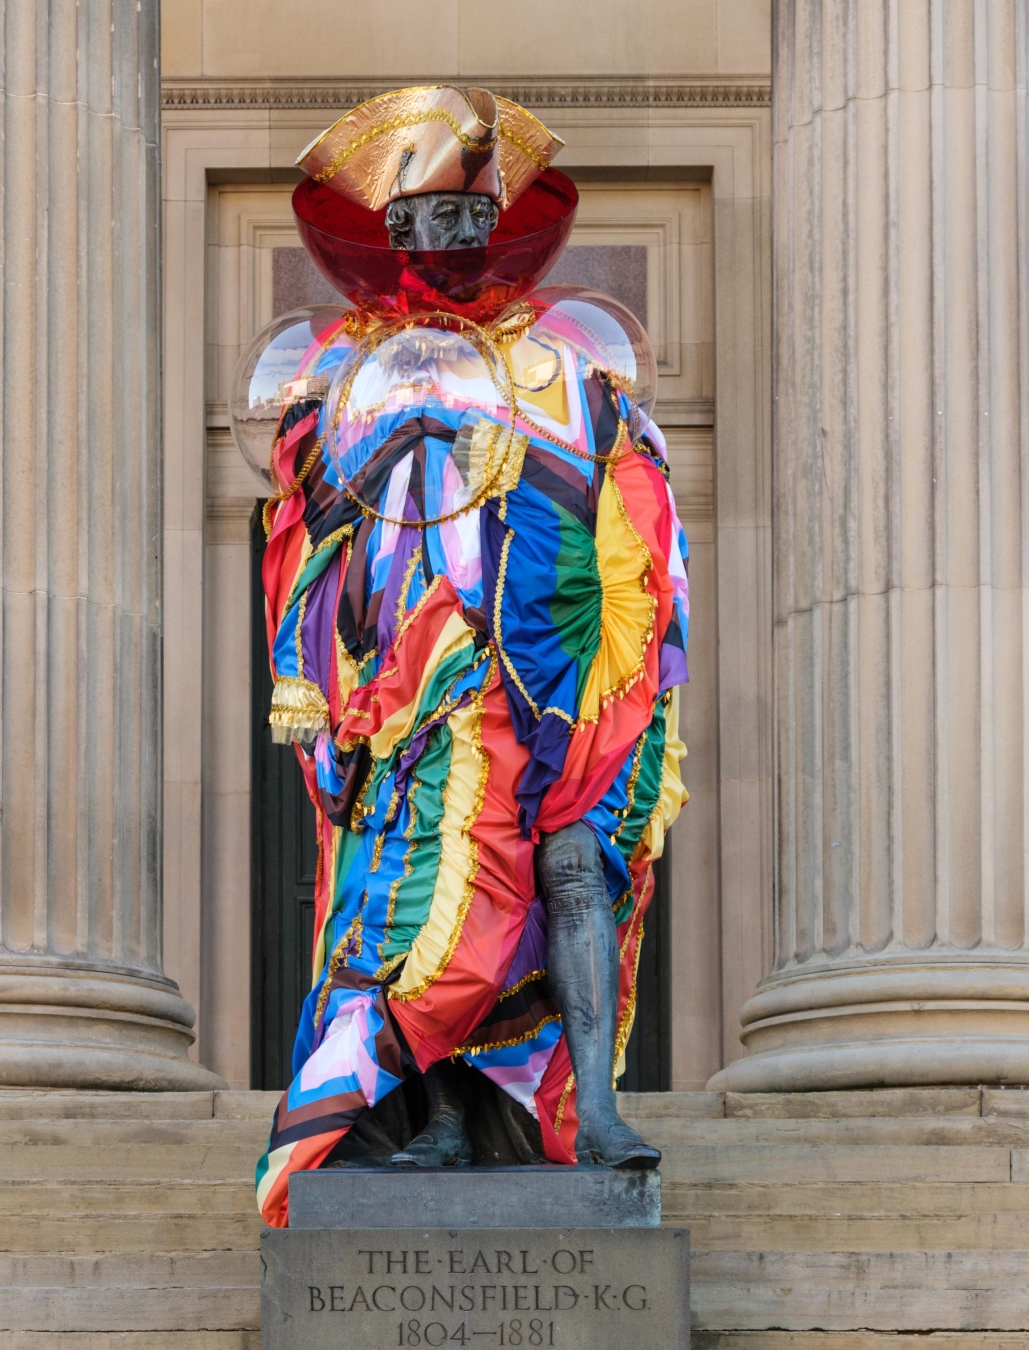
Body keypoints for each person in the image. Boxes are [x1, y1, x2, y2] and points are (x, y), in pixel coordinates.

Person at [244, 86, 690, 1226]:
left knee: (577, 870)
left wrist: (532, 484)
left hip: (553, 668)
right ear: (386, 236)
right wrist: (392, 442)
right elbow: (306, 515)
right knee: (422, 894)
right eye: (419, 220)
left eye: (461, 217)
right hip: (412, 678)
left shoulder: (557, 358)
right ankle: (435, 1115)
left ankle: (594, 1108)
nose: (443, 240)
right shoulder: (342, 370)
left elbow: (628, 492)